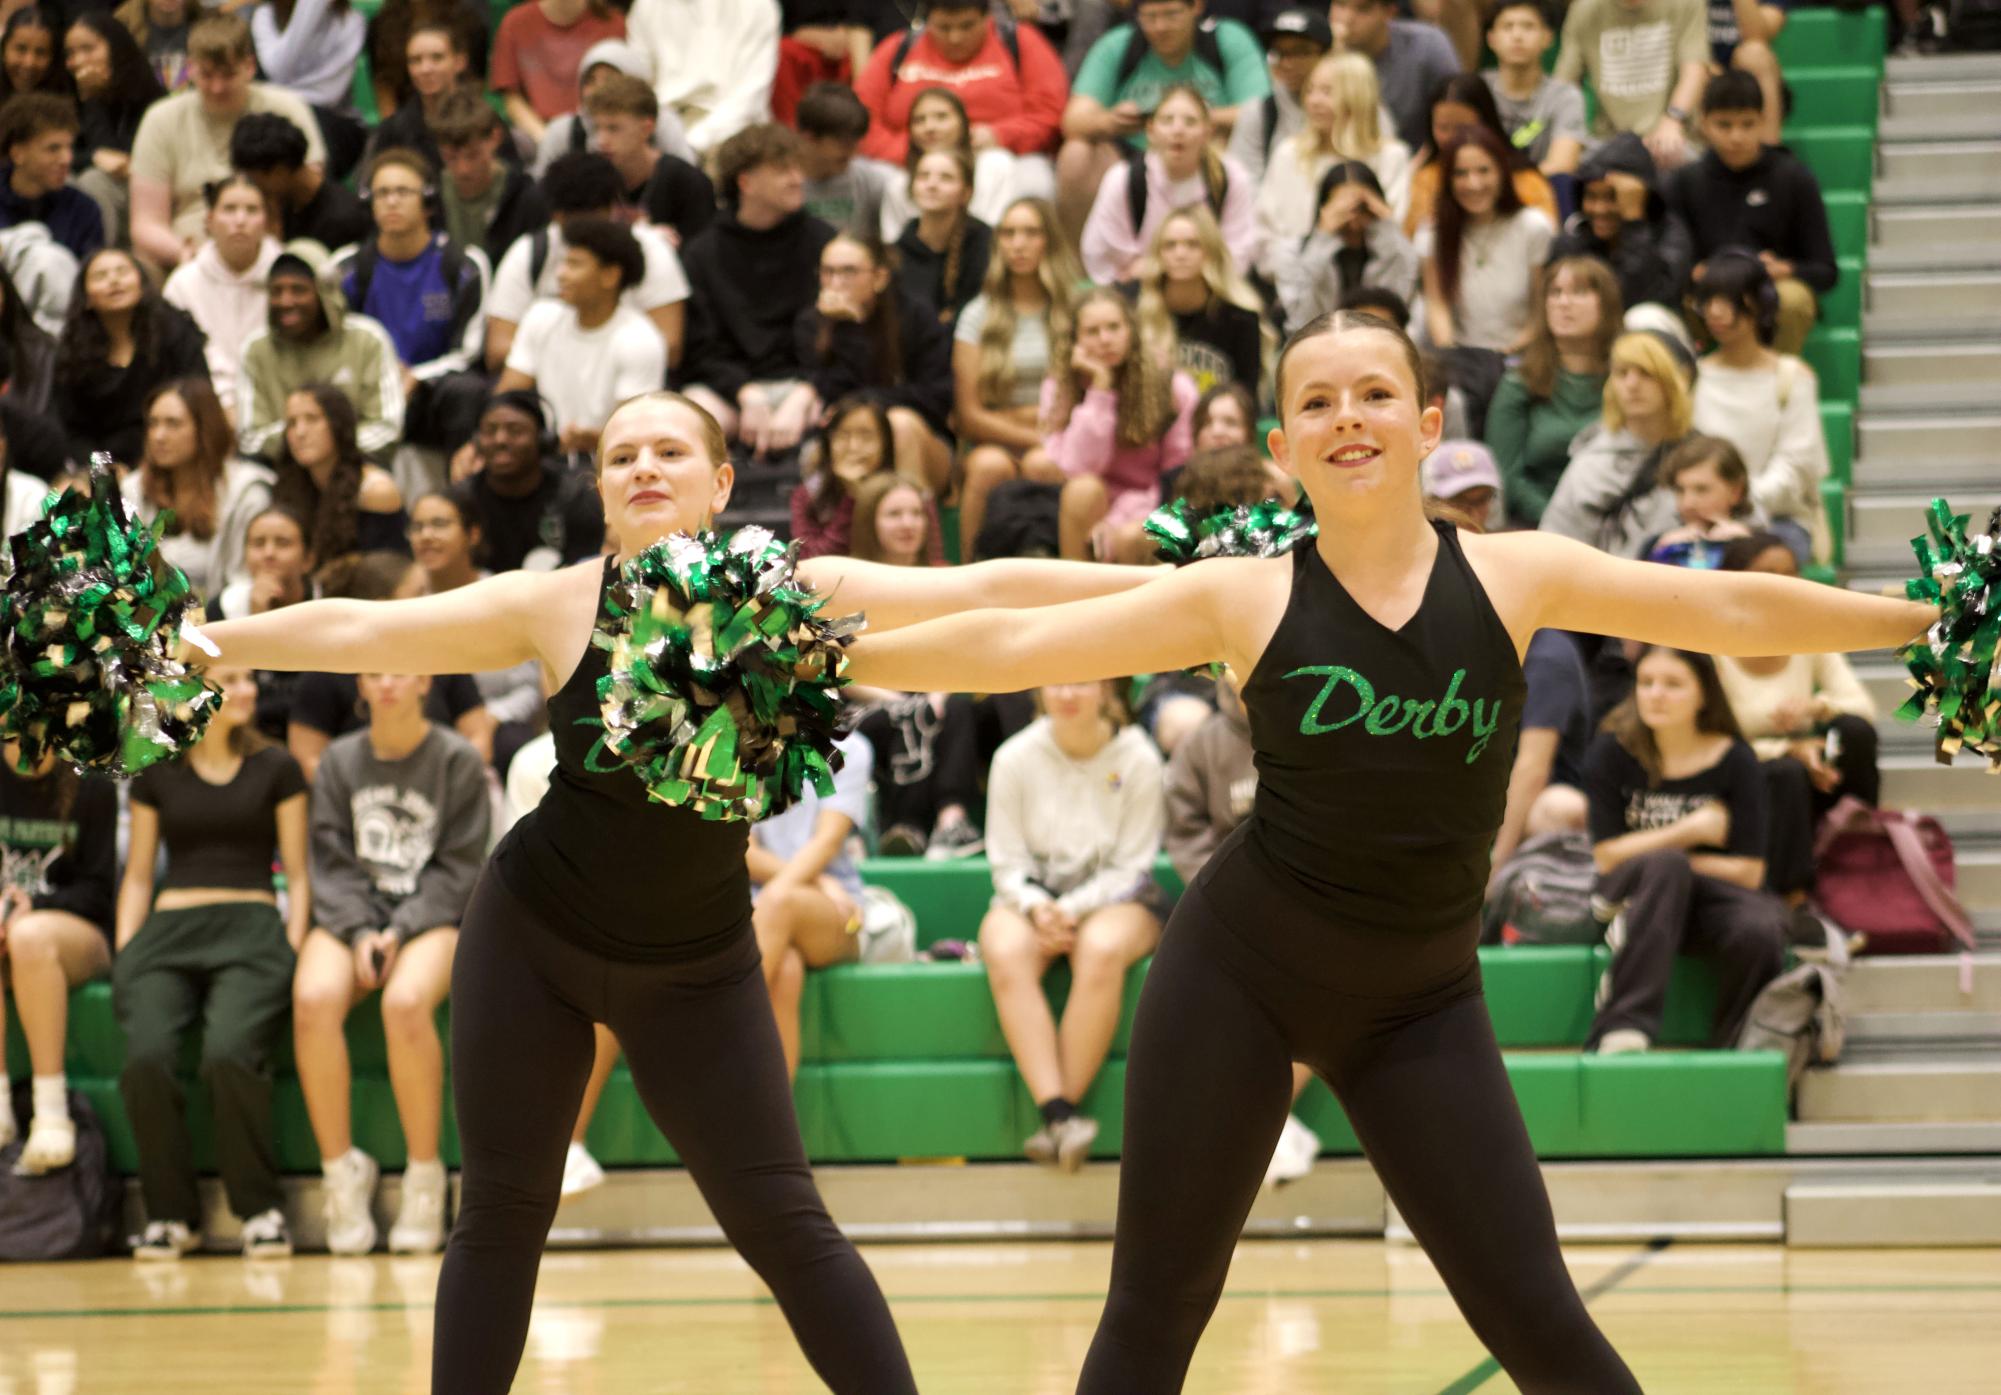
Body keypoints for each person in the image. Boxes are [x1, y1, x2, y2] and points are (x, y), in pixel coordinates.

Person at [843, 307, 1939, 1394]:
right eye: (1315, 402)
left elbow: (1728, 608)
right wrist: (832, 665)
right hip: (1238, 981)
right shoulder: (1245, 593)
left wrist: (1920, 621)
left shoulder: (1518, 575)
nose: (1347, 418)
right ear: (1281, 451)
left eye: (1374, 394)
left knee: (1542, 1321)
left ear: (1426, 423)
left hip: (1422, 1002)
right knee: (1156, 1312)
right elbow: (1010, 639)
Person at [194, 387, 1186, 1393]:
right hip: (535, 938)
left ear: (720, 483)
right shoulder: (561, 603)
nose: (644, 469)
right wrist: (203, 644)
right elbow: (368, 629)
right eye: (622, 456)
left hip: (698, 966)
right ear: (603, 492)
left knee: (785, 1225)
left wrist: (1176, 586)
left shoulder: (801, 593)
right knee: (501, 1211)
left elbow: (989, 588)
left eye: (670, 450)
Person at [111, 666, 307, 1257]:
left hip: (251, 929)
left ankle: (260, 1210)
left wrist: (291, 945)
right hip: (167, 934)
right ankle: (169, 1216)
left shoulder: (279, 767)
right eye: (231, 680)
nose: (246, 690)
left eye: (249, 680)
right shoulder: (156, 767)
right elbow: (139, 875)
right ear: (193, 692)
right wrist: (126, 951)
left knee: (228, 1054)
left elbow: (298, 877)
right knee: (147, 1057)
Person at [294, 670, 487, 1256]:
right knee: (312, 998)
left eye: (399, 670)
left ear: (426, 679)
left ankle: (425, 1177)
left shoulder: (456, 759)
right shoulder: (338, 761)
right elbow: (329, 862)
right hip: (353, 916)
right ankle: (341, 1176)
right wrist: (358, 932)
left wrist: (398, 931)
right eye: (374, 672)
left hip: (432, 919)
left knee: (405, 1003)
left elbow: (459, 870)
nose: (386, 683)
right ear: (359, 682)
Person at [982, 680, 1165, 1170]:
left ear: (1108, 689)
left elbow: (1133, 865)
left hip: (1119, 899)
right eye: (1057, 679)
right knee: (1002, 946)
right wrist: (1039, 906)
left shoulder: (1140, 757)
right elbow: (1005, 861)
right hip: (1034, 899)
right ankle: (1060, 1115)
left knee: (1101, 948)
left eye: (1082, 679)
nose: (1068, 692)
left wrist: (1074, 909)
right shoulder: (1014, 757)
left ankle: (1058, 1119)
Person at [1582, 646, 1787, 1052]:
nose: (1656, 694)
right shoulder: (1611, 752)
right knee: (1666, 866)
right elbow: (1606, 857)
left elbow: (1749, 873)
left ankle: (1733, 1048)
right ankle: (1625, 1024)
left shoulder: (1736, 760)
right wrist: (1688, 830)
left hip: (1709, 896)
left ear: (1704, 695)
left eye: (1673, 685)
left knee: (1759, 928)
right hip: (1627, 890)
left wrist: (1675, 862)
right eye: (1646, 683)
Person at [1715, 541, 1880, 901]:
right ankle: (1792, 898)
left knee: (1854, 732)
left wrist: (1815, 708)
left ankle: (1858, 848)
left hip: (1808, 772)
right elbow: (1712, 740)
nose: (1784, 584)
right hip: (1741, 778)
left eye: (1790, 574)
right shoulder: (1709, 647)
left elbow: (1862, 706)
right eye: (1769, 575)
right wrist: (1788, 748)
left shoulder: (1809, 633)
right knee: (1785, 772)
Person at [679, 123, 835, 453]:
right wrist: (744, 392)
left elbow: (840, 336)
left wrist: (806, 390)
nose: (797, 178)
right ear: (746, 182)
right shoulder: (703, 252)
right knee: (691, 422)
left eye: (797, 168)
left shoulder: (824, 242)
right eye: (782, 170)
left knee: (846, 419)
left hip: (808, 386)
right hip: (731, 390)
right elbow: (701, 348)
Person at [128, 13, 326, 271]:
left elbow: (312, 192)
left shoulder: (288, 108)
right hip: (189, 257)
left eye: (228, 75)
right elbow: (146, 224)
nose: (217, 87)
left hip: (274, 254)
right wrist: (188, 255)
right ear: (190, 68)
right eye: (207, 75)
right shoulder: (160, 119)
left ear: (250, 66)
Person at [1058, 0, 1270, 234]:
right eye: (1150, 17)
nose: (1160, 27)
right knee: (1075, 153)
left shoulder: (1228, 38)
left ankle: (1223, 256)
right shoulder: (1119, 44)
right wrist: (1109, 121)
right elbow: (1073, 120)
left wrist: (1199, 118)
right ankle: (1079, 265)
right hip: (1132, 154)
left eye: (1171, 15)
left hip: (1207, 152)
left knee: (1236, 145)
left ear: (1196, 7)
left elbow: (1261, 111)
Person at [0, 743, 114, 1177]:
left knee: (30, 936)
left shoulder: (92, 781)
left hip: (77, 934)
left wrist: (38, 904)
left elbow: (98, 893)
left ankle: (51, 1113)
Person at [1668, 69, 1839, 358]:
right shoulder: (1684, 182)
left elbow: (1826, 271)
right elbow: (1669, 268)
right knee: (1661, 308)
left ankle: (1775, 387)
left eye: (1747, 124)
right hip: (1705, 297)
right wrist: (1698, 273)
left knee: (1793, 299)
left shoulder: (1794, 178)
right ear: (1704, 123)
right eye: (1724, 125)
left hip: (1770, 293)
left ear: (1762, 121)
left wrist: (1785, 269)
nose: (1737, 136)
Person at [285, 551, 495, 780]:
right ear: (383, 606)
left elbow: (479, 738)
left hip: (439, 797)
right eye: (419, 593)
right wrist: (363, 797)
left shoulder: (443, 655)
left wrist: (444, 790)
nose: (430, 602)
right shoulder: (326, 670)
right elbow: (307, 759)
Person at [852, 0, 1066, 223]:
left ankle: (989, 253)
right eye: (944, 27)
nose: (955, 37)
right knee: (860, 174)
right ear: (927, 22)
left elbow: (1050, 112)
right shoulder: (900, 47)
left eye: (966, 26)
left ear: (988, 18)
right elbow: (860, 119)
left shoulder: (1019, 41)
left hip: (996, 153)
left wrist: (1001, 135)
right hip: (908, 160)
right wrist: (914, 150)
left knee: (1033, 180)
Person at [337, 148, 492, 454]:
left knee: (468, 390)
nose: (391, 201)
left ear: (429, 203)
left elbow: (469, 351)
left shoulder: (463, 264)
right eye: (382, 193)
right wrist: (385, 379)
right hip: (367, 389)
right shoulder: (346, 268)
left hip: (433, 389)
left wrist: (415, 378)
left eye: (403, 191)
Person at [480, 151, 688, 374]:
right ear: (556, 216)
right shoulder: (529, 253)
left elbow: (671, 348)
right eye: (573, 223)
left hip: (629, 382)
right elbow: (497, 351)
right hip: (543, 387)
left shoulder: (650, 251)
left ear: (611, 210)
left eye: (592, 221)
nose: (584, 234)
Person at [954, 196, 1074, 560]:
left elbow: (1083, 396)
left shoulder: (1073, 308)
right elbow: (969, 415)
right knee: (989, 466)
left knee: (1042, 463)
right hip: (996, 441)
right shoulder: (978, 313)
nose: (1018, 243)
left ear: (1049, 241)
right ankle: (965, 577)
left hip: (1062, 436)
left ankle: (1062, 575)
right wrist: (1032, 431)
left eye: (1030, 233)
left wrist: (1034, 430)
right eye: (1008, 233)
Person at [1688, 252, 1829, 561]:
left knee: (1754, 560)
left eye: (1726, 300)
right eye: (1708, 300)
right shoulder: (1695, 377)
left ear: (1758, 302)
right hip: (1703, 517)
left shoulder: (1792, 377)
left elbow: (1796, 466)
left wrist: (1736, 503)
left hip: (1779, 520)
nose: (1714, 312)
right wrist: (1707, 505)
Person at [750, 728, 873, 1079]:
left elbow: (827, 842)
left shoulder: (849, 747)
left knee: (780, 904)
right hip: (768, 905)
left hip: (835, 911)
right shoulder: (738, 741)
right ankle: (762, 1130)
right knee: (785, 969)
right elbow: (741, 851)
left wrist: (789, 890)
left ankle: (720, 1053)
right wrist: (816, 881)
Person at [1043, 285, 1198, 561]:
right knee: (1083, 490)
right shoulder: (1060, 387)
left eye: (1114, 327)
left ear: (1131, 331)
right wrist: (1100, 389)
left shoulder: (1172, 387)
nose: (1105, 339)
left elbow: (1177, 477)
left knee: (1128, 537)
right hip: (1080, 507)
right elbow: (1075, 469)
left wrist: (1115, 523)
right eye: (1092, 332)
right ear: (1075, 341)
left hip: (1152, 505)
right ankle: (1076, 597)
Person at [1416, 127, 1554, 429]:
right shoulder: (1433, 232)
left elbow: (1540, 308)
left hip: (1520, 355)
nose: (1473, 183)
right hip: (1460, 358)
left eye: (1483, 171)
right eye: (1461, 174)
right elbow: (1436, 304)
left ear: (1502, 172)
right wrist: (1451, 350)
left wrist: (1513, 348)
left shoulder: (1533, 227)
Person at [795, 230, 955, 491]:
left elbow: (937, 396)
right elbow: (828, 395)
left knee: (898, 424)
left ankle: (908, 521)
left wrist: (871, 402)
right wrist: (846, 328)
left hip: (919, 441)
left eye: (848, 272)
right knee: (845, 438)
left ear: (880, 277)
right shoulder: (811, 324)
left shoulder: (915, 316)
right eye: (828, 272)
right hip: (842, 439)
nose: (836, 282)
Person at [405, 488, 548, 773]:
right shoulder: (405, 602)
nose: (426, 536)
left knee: (512, 744)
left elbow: (529, 687)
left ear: (472, 534)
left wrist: (489, 717)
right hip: (422, 722)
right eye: (418, 527)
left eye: (440, 524)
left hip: (497, 723)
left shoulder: (504, 599)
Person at [499, 216, 667, 455]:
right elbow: (507, 396)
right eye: (562, 263)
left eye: (574, 264)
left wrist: (595, 439)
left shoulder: (640, 339)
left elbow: (635, 432)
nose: (561, 274)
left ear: (610, 275)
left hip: (607, 463)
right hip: (542, 456)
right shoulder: (541, 316)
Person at [1485, 254, 1621, 527]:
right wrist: (1561, 523)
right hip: (1539, 528)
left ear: (1606, 304)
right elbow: (1506, 477)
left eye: (1579, 292)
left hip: (1616, 525)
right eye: (1555, 293)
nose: (1563, 303)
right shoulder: (1519, 383)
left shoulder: (1627, 380)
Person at [234, 247, 404, 460]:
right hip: (280, 469)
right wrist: (304, 444)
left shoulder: (367, 339)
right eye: (276, 291)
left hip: (355, 465)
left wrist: (327, 446)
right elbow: (250, 436)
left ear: (324, 293)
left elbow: (386, 428)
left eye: (298, 290)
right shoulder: (256, 349)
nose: (286, 301)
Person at [1080, 84, 1258, 286]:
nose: (1178, 130)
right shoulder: (1123, 179)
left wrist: (1176, 269)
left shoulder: (1232, 178)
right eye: (1167, 121)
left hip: (1213, 288)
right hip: (1140, 290)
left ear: (1208, 132)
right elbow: (1100, 254)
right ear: (1150, 129)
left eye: (1190, 122)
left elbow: (1240, 252)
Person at [1253, 51, 1412, 275]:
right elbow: (1266, 232)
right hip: (1297, 285)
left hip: (1374, 286)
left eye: (1327, 92)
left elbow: (1397, 234)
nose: (1313, 101)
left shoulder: (1391, 156)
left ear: (1357, 97)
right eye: (1310, 90)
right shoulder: (1288, 154)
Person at [1540, 329, 1694, 558]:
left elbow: (1748, 523)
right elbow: (1553, 549)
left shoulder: (1699, 454)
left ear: (1671, 381)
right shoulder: (1591, 464)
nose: (1632, 384)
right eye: (1622, 373)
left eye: (1646, 373)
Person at [117, 378, 272, 603]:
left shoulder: (247, 493)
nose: (158, 436)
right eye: (153, 423)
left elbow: (245, 586)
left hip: (224, 624)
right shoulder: (133, 489)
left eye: (173, 424)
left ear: (204, 429)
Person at [52, 247, 210, 465]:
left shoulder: (174, 331)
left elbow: (200, 397)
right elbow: (73, 430)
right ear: (86, 297)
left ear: (142, 284)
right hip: (106, 467)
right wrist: (105, 470)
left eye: (122, 272)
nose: (114, 280)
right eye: (101, 276)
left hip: (176, 455)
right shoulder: (72, 352)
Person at [163, 173, 281, 419]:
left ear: (266, 221)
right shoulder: (183, 284)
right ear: (209, 219)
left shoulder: (288, 279)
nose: (240, 220)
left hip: (275, 406)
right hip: (204, 411)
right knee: (103, 457)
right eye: (229, 209)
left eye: (251, 210)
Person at [448, 388, 606, 572]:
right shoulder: (461, 501)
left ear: (542, 439)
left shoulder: (576, 497)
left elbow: (589, 573)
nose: (500, 440)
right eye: (490, 431)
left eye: (515, 431)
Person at [1547, 133, 1693, 317]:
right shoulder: (1573, 240)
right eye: (1591, 196)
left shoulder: (1670, 236)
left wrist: (1634, 222)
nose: (1599, 209)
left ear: (1643, 198)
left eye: (1612, 197)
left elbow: (1635, 300)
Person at [1555, 0, 1708, 173]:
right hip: (1607, 139)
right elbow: (1565, 82)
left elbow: (1694, 71)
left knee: (1678, 157)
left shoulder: (1685, 3)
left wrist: (1673, 119)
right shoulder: (1585, 8)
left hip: (1670, 133)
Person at [1128, 205, 1265, 396]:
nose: (1180, 254)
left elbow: (1247, 401)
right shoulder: (1137, 313)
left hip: (1216, 423)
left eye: (1193, 244)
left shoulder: (1240, 319)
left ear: (1210, 251)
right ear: (1158, 253)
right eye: (1170, 245)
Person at [1401, 73, 1558, 238]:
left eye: (1463, 128)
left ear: (1486, 124)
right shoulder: (1426, 177)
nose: (1453, 138)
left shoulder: (1525, 179)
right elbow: (1412, 242)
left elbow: (1545, 241)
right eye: (1443, 127)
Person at [790, 394, 942, 563]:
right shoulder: (809, 494)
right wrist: (851, 498)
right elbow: (808, 561)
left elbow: (931, 560)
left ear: (885, 443)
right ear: (828, 442)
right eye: (843, 435)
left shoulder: (910, 493)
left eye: (866, 436)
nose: (854, 447)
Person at [1270, 160, 1419, 331]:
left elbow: (1399, 303)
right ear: (1323, 208)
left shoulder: (1391, 250)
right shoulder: (1291, 251)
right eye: (1343, 211)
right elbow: (1301, 318)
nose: (1353, 222)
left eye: (1362, 208)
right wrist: (1322, 237)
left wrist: (1387, 224)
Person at [211, 505, 317, 742]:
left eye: (283, 543)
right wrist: (256, 623)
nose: (269, 553)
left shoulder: (328, 604)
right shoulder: (224, 607)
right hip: (242, 736)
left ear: (309, 558)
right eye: (258, 543)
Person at [270, 382, 409, 562]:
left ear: (338, 425)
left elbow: (386, 574)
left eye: (312, 419)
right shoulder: (292, 483)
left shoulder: (376, 490)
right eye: (292, 423)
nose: (300, 432)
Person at [529, 35, 697, 181]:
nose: (598, 89)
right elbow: (539, 193)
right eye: (590, 80)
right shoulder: (562, 130)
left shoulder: (664, 122)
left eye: (610, 79)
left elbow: (687, 178)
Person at [63, 13, 166, 248]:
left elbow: (118, 161)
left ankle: (99, 262)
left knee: (94, 181)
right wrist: (93, 156)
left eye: (88, 49)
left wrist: (93, 99)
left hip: (143, 197)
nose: (77, 61)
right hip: (98, 195)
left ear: (117, 49)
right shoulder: (70, 96)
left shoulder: (152, 99)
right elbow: (66, 155)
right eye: (69, 53)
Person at [624, 0, 779, 157]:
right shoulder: (646, 5)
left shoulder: (757, 5)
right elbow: (638, 81)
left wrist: (692, 143)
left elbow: (750, 95)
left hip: (733, 131)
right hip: (664, 123)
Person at [583, 75, 715, 239]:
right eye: (597, 128)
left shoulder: (688, 184)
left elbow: (699, 257)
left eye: (613, 128)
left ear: (646, 129)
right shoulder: (590, 181)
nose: (601, 141)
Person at [432, 91, 550, 270]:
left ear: (495, 138)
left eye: (473, 155)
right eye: (451, 157)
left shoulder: (528, 198)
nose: (463, 169)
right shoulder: (429, 197)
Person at [1326, 0, 1460, 153]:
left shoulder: (1427, 44)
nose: (1347, 19)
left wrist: (1428, 160)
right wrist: (1333, 51)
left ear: (1389, 13)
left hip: (1414, 159)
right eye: (1340, 5)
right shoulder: (1320, 48)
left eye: (1363, 9)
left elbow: (1456, 108)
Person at [490, 0, 626, 149]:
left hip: (598, 131)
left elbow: (624, 92)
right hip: (536, 136)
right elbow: (511, 97)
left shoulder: (613, 22)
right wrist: (546, 139)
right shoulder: (515, 22)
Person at [228, 111, 368, 254]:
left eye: (256, 181)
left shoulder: (344, 220)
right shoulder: (286, 204)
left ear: (278, 172)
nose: (255, 188)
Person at [1224, 6, 1333, 189]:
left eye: (1300, 52)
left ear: (1327, 55)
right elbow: (1242, 184)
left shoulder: (1357, 106)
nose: (1288, 63)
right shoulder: (1260, 111)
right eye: (1280, 53)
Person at [1482, 0, 1584, 179]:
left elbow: (1562, 165)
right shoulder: (1477, 90)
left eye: (1528, 27)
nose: (1517, 35)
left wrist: (1505, 182)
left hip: (1545, 194)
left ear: (1548, 38)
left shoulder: (1565, 96)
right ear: (1491, 39)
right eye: (1507, 27)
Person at [893, 147, 992, 326]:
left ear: (966, 193)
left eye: (946, 178)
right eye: (923, 176)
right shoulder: (897, 251)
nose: (932, 185)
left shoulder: (985, 243)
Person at [0, 93, 105, 260]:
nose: (67, 159)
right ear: (17, 154)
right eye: (53, 149)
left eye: (69, 147)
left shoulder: (83, 210)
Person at [1644, 433, 1764, 567]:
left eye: (1701, 490)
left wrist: (1746, 548)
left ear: (1735, 492)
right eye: (1680, 490)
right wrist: (1661, 556)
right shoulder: (1660, 544)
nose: (1687, 503)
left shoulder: (1766, 548)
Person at [796, 80, 890, 237]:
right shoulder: (782, 183)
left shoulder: (871, 180)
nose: (853, 154)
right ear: (809, 138)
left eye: (856, 142)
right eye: (844, 143)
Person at [251, 0, 367, 112]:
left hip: (330, 116)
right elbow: (279, 71)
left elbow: (329, 94)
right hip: (280, 111)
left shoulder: (352, 20)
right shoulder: (265, 15)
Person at [849, 472, 942, 567]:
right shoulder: (847, 575)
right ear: (869, 522)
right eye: (894, 514)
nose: (908, 524)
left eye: (916, 513)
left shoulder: (943, 574)